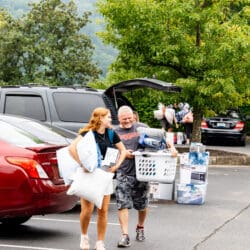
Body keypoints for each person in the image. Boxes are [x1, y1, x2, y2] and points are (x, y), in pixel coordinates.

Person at [114, 105, 177, 248]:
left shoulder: (142, 127)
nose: (128, 121)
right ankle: (125, 235)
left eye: (130, 118)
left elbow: (162, 137)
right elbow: (109, 152)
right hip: (123, 172)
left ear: (134, 116)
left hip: (143, 172)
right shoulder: (114, 132)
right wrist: (123, 154)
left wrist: (172, 148)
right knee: (122, 203)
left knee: (142, 205)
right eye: (124, 119)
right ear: (119, 119)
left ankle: (140, 227)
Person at [69, 107, 126, 250]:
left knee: (103, 210)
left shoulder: (111, 134)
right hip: (90, 174)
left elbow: (123, 150)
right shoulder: (88, 133)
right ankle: (84, 236)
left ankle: (100, 242)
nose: (110, 120)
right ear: (100, 118)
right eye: (108, 117)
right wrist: (82, 164)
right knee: (87, 210)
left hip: (105, 174)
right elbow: (71, 148)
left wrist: (117, 165)